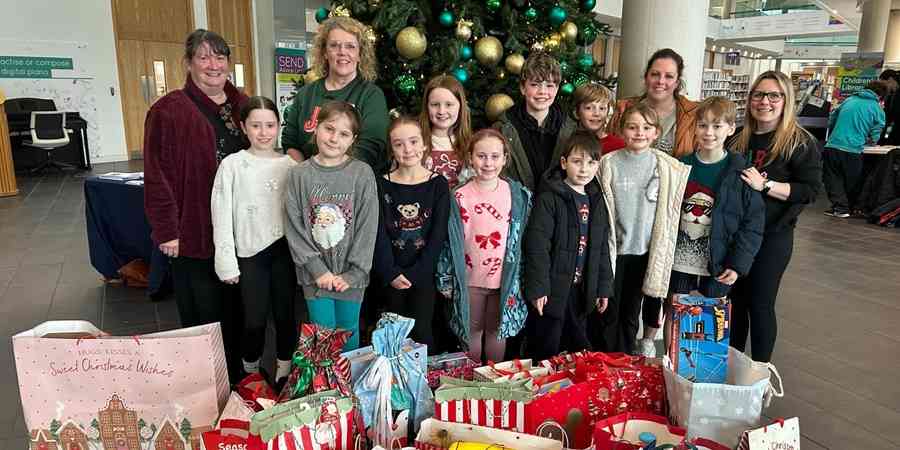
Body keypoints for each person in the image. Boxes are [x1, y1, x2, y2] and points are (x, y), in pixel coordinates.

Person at [143, 29, 248, 380]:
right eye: (203, 57)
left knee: (238, 314)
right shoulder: (169, 110)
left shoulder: (243, 106)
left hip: (239, 233)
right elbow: (156, 174)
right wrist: (167, 231)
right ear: (188, 64)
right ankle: (205, 388)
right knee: (203, 316)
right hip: (194, 234)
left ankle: (236, 387)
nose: (213, 65)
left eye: (219, 57)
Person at [728, 71, 822, 363]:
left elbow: (809, 191)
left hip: (773, 236)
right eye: (758, 94)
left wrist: (766, 186)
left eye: (773, 95)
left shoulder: (799, 142)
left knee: (760, 304)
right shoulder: (736, 138)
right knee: (735, 304)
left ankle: (759, 375)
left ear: (785, 100)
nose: (764, 102)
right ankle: (733, 370)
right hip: (737, 237)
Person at [608, 49, 699, 347]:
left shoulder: (690, 113)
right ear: (646, 76)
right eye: (655, 74)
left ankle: (645, 343)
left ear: (677, 80)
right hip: (626, 214)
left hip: (659, 208)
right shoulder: (625, 110)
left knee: (649, 290)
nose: (661, 81)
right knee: (613, 302)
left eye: (669, 76)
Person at [211, 96, 298, 384]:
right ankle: (251, 373)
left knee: (286, 316)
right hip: (250, 253)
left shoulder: (291, 165)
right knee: (254, 319)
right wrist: (226, 262)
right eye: (256, 125)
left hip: (285, 251)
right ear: (243, 127)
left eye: (270, 125)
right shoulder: (233, 165)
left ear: (279, 126)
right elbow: (221, 213)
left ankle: (284, 371)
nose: (264, 132)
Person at [663, 97, 764, 342]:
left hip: (717, 262)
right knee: (674, 313)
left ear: (731, 128)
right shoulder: (679, 166)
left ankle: (704, 369)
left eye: (717, 126)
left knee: (711, 316)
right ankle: (672, 369)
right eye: (702, 125)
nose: (708, 133)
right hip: (679, 260)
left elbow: (752, 223)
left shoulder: (741, 172)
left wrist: (737, 264)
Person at [595, 103, 690, 355]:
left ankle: (626, 360)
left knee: (631, 311)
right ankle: (605, 359)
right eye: (632, 127)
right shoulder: (608, 163)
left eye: (646, 127)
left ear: (656, 132)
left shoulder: (665, 167)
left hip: (645, 252)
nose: (639, 133)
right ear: (622, 130)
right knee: (608, 309)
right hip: (615, 250)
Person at [284, 100, 378, 352]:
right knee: (323, 336)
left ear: (352, 139)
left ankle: (348, 391)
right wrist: (317, 270)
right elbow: (294, 227)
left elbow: (368, 227)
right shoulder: (299, 175)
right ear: (316, 128)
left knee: (349, 334)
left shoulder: (362, 173)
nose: (334, 138)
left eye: (344, 133)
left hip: (352, 277)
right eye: (329, 129)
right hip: (315, 278)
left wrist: (355, 273)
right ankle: (327, 390)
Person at [436, 129, 531, 363]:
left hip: (504, 281)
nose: (488, 163)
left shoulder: (518, 195)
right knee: (472, 333)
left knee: (497, 332)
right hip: (470, 280)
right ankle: (472, 380)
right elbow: (447, 243)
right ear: (470, 157)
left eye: (495, 156)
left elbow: (525, 241)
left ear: (505, 159)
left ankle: (493, 379)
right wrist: (445, 277)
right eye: (481, 156)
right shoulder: (458, 196)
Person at [523, 131, 613, 361]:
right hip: (553, 290)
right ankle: (541, 390)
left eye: (591, 162)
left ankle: (571, 393)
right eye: (577, 161)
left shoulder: (596, 198)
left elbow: (601, 247)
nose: (584, 169)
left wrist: (603, 288)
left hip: (582, 290)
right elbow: (537, 245)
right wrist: (539, 287)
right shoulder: (550, 197)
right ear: (564, 163)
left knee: (579, 348)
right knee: (546, 345)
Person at [373, 116, 450, 347]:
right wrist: (391, 272)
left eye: (414, 141)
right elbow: (377, 233)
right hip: (390, 274)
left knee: (422, 333)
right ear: (392, 149)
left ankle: (421, 381)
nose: (408, 149)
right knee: (392, 337)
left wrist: (417, 273)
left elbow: (437, 236)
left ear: (425, 143)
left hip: (423, 276)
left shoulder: (438, 184)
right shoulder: (380, 183)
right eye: (399, 144)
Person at [281, 17, 389, 173]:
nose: (342, 52)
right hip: (309, 185)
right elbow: (290, 143)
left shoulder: (371, 95)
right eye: (334, 45)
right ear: (324, 52)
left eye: (350, 46)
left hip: (353, 184)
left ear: (360, 54)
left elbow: (370, 147)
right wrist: (308, 176)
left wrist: (330, 177)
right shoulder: (305, 94)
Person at [494, 52, 565, 192]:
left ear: (556, 89)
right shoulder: (503, 128)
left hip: (557, 210)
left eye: (549, 85)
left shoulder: (570, 128)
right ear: (522, 88)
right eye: (535, 84)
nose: (542, 92)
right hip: (517, 207)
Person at [823, 80, 889, 218]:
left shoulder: (849, 100)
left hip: (833, 145)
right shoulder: (877, 108)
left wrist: (836, 132)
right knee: (851, 181)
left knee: (833, 178)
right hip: (853, 150)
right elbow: (877, 130)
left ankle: (840, 207)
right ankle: (849, 207)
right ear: (881, 96)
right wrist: (872, 140)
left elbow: (832, 119)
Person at [420, 75, 473, 188]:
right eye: (435, 105)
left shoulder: (471, 144)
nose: (441, 111)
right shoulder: (416, 142)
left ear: (460, 106)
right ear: (426, 106)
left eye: (449, 105)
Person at [553, 83, 626, 163]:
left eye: (602, 108)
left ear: (608, 112)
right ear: (576, 113)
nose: (596, 113)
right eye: (589, 108)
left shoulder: (618, 146)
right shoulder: (566, 142)